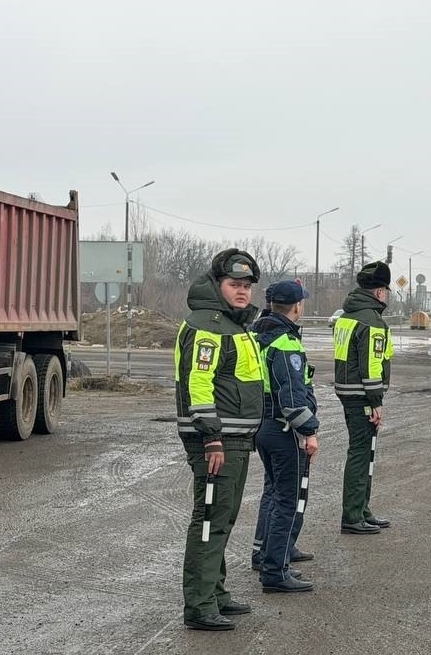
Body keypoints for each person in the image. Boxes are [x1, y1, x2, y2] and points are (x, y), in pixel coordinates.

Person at [174, 248, 264, 631]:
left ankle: (215, 593)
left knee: (223, 517)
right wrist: (210, 437)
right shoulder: (208, 326)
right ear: (217, 285)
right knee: (210, 518)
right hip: (216, 440)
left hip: (236, 438)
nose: (242, 292)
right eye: (234, 285)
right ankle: (199, 605)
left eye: (246, 286)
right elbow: (199, 381)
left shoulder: (233, 323)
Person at [249, 280, 320, 593]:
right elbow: (292, 399)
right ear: (297, 307)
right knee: (286, 500)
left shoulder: (257, 335)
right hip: (283, 429)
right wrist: (310, 430)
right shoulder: (286, 344)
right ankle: (275, 572)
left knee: (272, 491)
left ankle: (264, 553)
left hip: (262, 425)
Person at [332, 261, 395, 535]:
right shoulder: (371, 321)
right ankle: (353, 515)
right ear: (380, 292)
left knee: (365, 452)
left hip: (348, 392)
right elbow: (371, 366)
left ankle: (362, 509)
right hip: (362, 397)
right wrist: (376, 402)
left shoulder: (347, 316)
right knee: (361, 454)